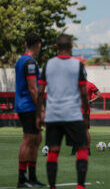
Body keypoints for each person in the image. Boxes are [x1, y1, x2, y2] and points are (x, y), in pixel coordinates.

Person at [36, 34, 89, 189]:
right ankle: (80, 186)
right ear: (71, 47)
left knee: (53, 150)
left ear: (56, 47)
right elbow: (84, 92)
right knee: (83, 147)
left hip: (53, 115)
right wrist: (85, 114)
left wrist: (39, 113)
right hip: (72, 114)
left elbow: (40, 91)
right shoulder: (78, 65)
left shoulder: (48, 64)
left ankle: (52, 186)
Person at [15, 33, 46, 188]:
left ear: (26, 43)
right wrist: (41, 109)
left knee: (37, 138)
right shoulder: (30, 63)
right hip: (28, 105)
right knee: (28, 140)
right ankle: (22, 179)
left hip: (25, 105)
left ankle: (32, 177)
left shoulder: (21, 60)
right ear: (38, 45)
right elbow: (33, 88)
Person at [71, 80, 101, 155]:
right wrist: (90, 101)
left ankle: (74, 149)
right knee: (85, 131)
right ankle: (88, 150)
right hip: (85, 112)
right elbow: (99, 95)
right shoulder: (90, 84)